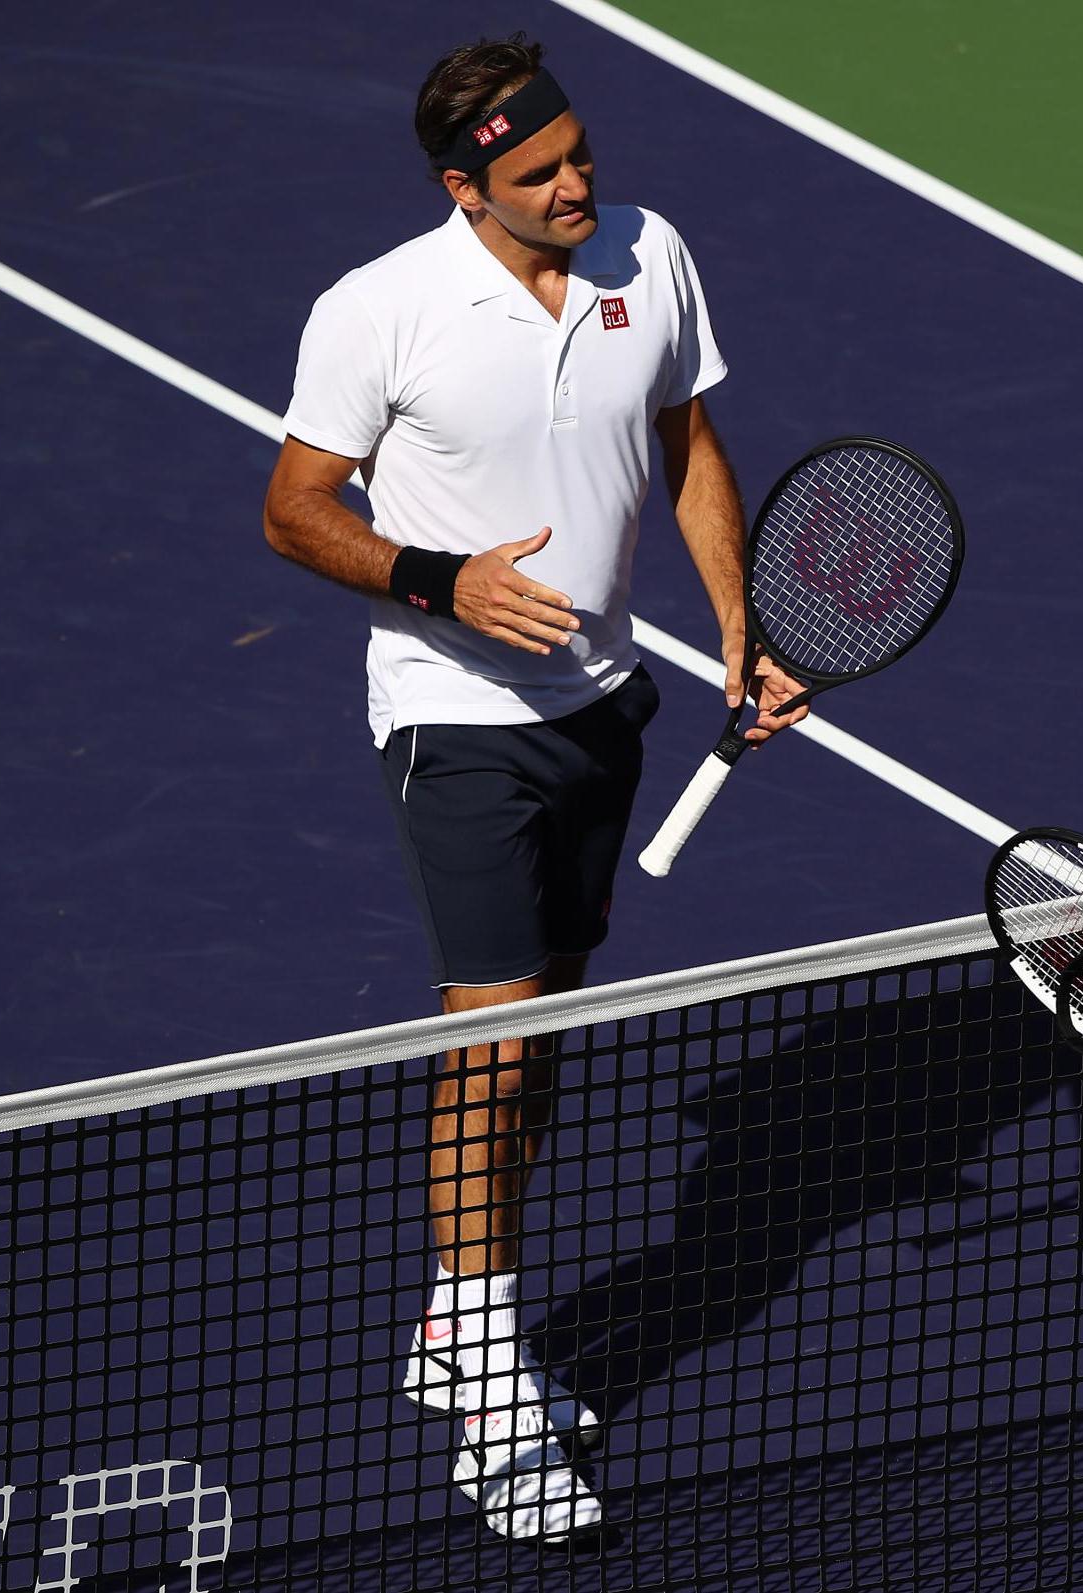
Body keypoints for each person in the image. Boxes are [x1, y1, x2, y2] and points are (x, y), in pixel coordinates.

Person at [260, 35, 805, 1542]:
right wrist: (441, 583)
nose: (578, 185)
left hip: (603, 703)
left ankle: (458, 1318)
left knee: (545, 1031)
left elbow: (687, 439)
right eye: (538, 173)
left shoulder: (652, 253)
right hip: (455, 716)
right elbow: (296, 513)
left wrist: (741, 627)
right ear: (464, 187)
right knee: (489, 1046)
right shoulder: (380, 310)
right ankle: (496, 1392)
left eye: (579, 156)